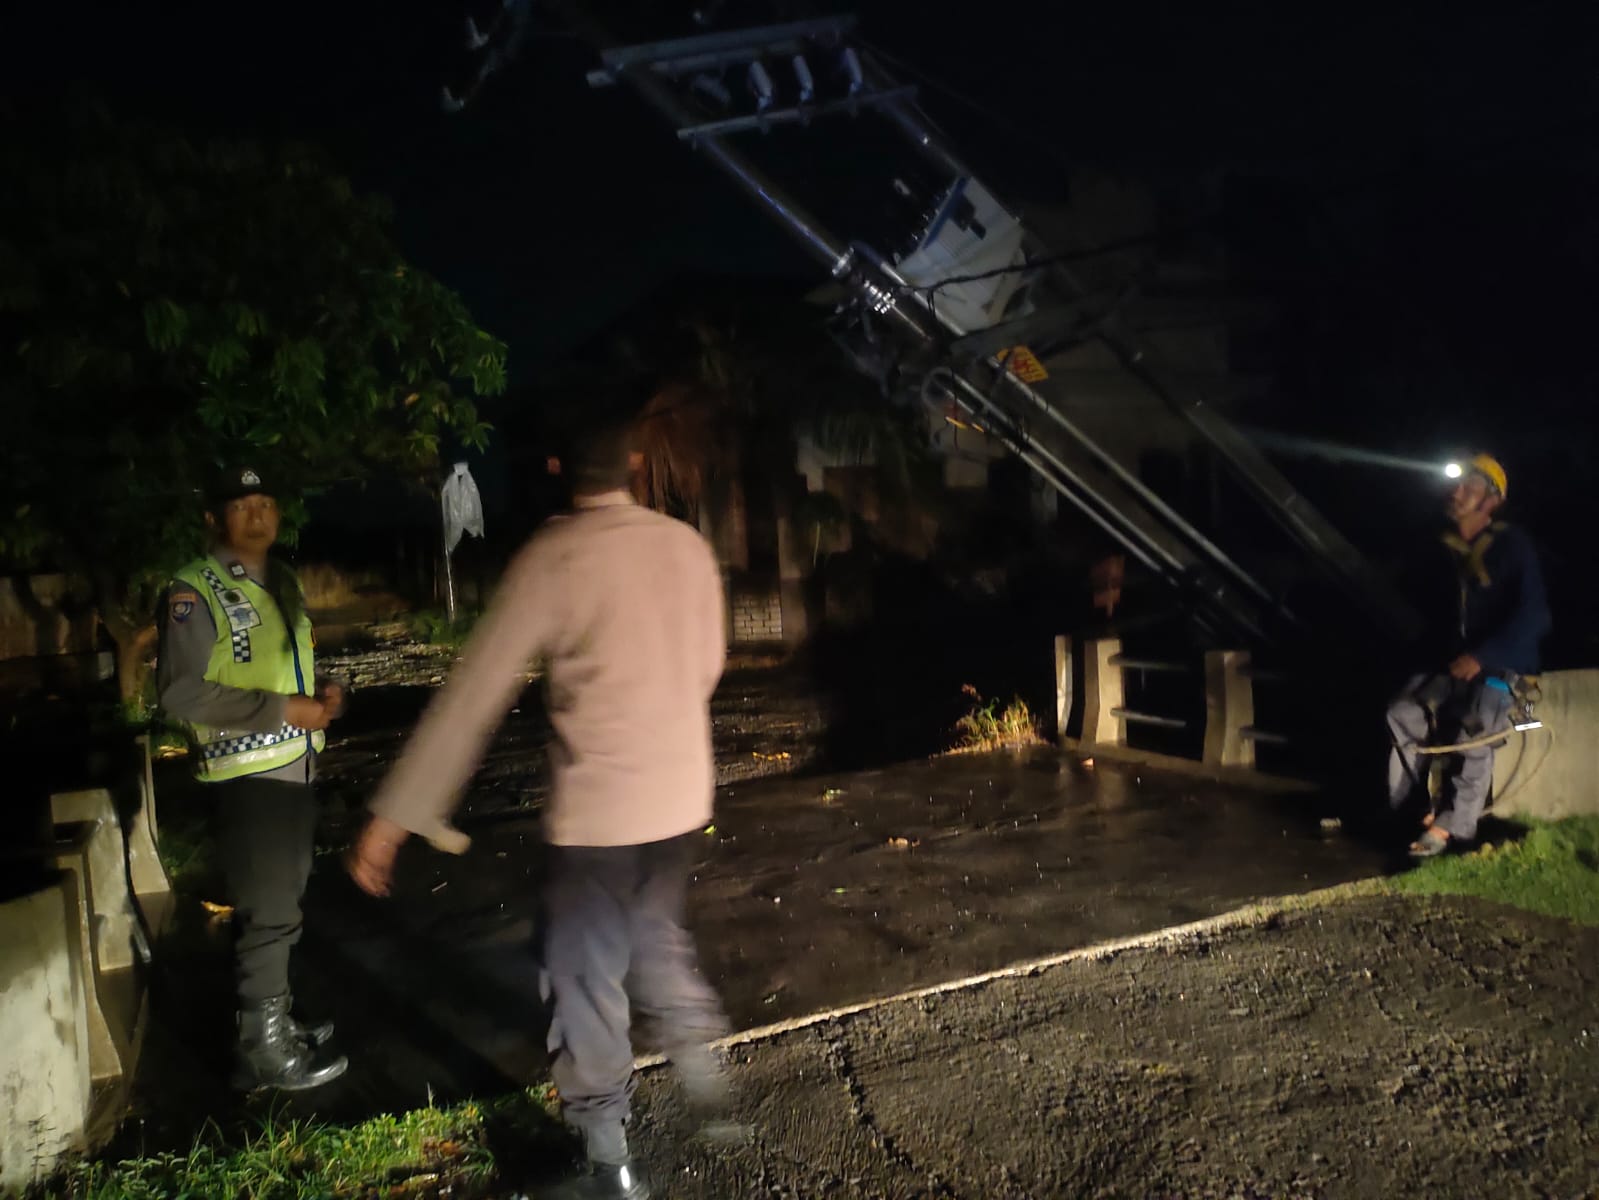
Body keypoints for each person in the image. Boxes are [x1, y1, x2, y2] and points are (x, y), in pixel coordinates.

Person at [347, 419, 733, 1200]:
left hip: (598, 815)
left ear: (556, 464)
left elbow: (474, 695)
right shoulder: (684, 546)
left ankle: (607, 1162)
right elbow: (706, 666)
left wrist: (393, 818)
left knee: (582, 973)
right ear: (634, 460)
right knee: (652, 932)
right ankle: (705, 1071)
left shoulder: (554, 555)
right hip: (679, 801)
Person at [156, 466, 350, 1091]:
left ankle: (273, 1024)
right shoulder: (195, 588)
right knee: (269, 913)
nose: (258, 515)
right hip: (247, 775)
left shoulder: (282, 581)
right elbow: (180, 692)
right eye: (242, 506)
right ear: (214, 518)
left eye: (266, 502)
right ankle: (262, 1048)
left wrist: (319, 696)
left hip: (294, 766)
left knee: (280, 903)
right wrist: (282, 710)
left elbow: (280, 667)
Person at [1385, 453, 1550, 857]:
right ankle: (1411, 810)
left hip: (1500, 666)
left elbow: (1535, 614)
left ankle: (1452, 826)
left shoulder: (1512, 546)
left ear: (1492, 501)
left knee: (1475, 728)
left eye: (1470, 486)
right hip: (1452, 664)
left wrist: (1484, 655)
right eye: (1456, 485)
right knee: (1402, 712)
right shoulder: (1442, 548)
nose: (1457, 492)